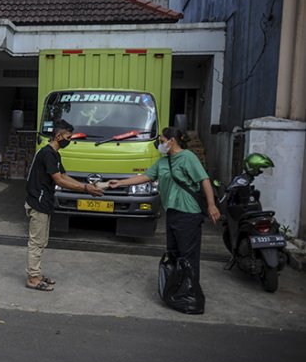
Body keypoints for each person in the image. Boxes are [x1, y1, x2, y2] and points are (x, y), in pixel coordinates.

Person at [108, 127, 220, 283]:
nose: (159, 144)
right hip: (172, 212)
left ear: (172, 141)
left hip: (188, 213)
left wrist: (211, 205)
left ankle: (189, 290)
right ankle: (177, 287)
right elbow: (146, 176)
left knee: (188, 255)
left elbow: (204, 179)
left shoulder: (187, 157)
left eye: (162, 141)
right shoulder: (163, 161)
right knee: (173, 252)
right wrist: (120, 183)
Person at [24, 119, 104, 291]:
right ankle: (32, 278)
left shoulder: (54, 154)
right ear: (58, 136)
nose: (69, 140)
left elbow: (64, 176)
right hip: (38, 202)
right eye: (68, 137)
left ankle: (36, 273)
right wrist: (85, 188)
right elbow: (59, 180)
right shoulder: (47, 154)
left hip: (44, 202)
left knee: (42, 242)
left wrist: (86, 188)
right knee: (36, 242)